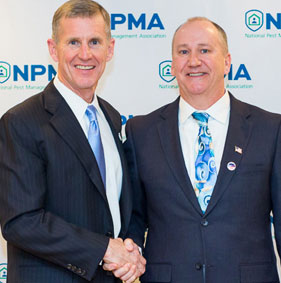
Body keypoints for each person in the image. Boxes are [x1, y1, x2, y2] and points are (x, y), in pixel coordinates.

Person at [124, 17, 281, 282]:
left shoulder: (270, 129)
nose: (194, 61)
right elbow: (134, 218)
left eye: (205, 50)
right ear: (172, 65)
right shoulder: (141, 132)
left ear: (227, 62)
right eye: (183, 51)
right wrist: (131, 253)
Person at [0, 0, 145, 282]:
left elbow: (121, 209)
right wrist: (104, 249)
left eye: (94, 41)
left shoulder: (112, 118)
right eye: (73, 42)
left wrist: (130, 249)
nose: (85, 54)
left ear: (110, 48)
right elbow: (20, 221)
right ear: (53, 49)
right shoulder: (22, 121)